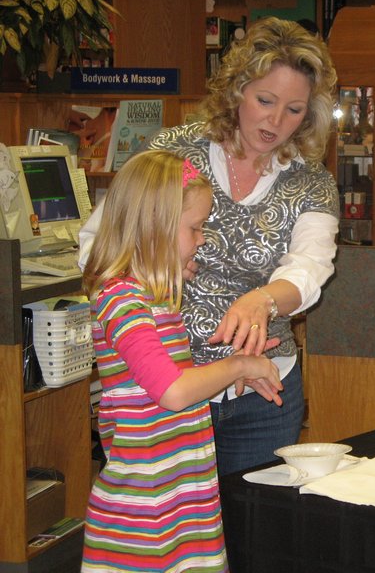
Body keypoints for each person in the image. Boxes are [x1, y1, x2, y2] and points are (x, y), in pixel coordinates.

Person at [79, 17, 340, 476]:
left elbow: (310, 267)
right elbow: (100, 247)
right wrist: (153, 274)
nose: (276, 121)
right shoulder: (174, 153)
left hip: (262, 391)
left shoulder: (311, 181)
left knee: (246, 532)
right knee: (168, 524)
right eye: (265, 100)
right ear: (237, 90)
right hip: (159, 391)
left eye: (295, 109)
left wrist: (262, 301)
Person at [80, 150, 283, 571]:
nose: (202, 238)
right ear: (154, 228)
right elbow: (172, 392)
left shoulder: (157, 304)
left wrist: (228, 371)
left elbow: (163, 389)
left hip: (180, 503)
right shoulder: (122, 300)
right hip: (142, 519)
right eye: (195, 227)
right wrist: (240, 367)